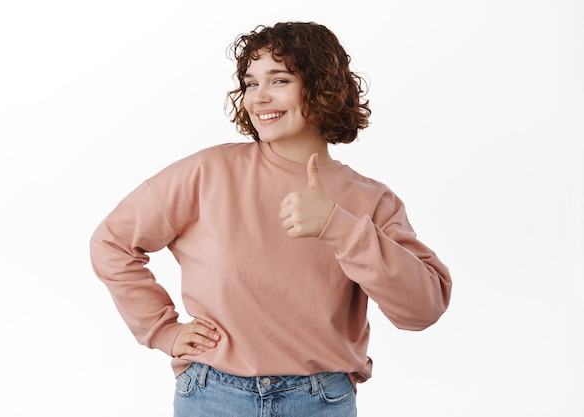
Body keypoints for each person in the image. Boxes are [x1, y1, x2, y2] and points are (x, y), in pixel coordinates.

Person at [90, 21, 452, 417]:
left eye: (279, 80)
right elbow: (112, 241)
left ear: (321, 88)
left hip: (320, 400)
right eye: (250, 83)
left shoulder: (371, 199)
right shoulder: (208, 172)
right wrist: (162, 330)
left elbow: (423, 308)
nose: (258, 98)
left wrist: (338, 226)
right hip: (213, 396)